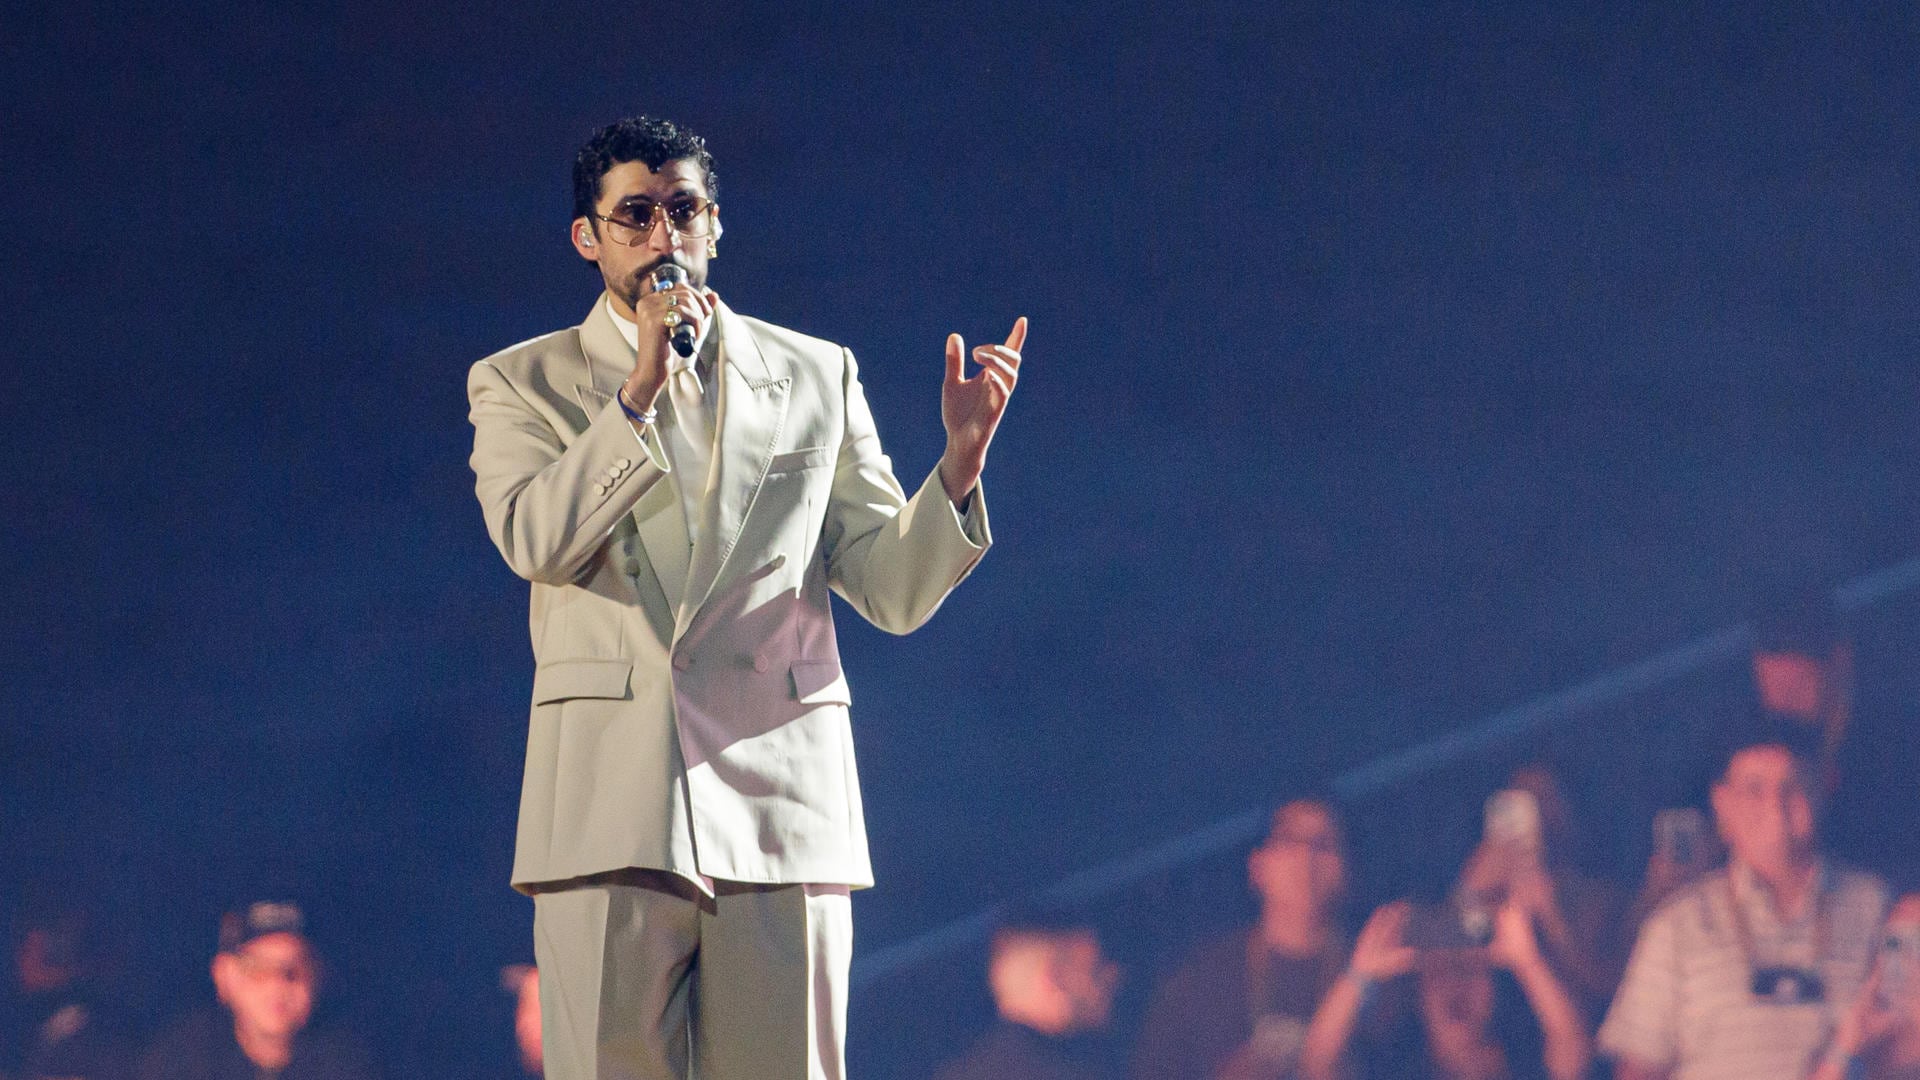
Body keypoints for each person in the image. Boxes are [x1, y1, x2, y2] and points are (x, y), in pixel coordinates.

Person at [465, 115, 1023, 1080]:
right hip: (607, 809)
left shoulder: (814, 371)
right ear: (587, 238)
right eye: (633, 214)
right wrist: (638, 389)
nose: (661, 235)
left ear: (714, 223)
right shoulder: (525, 381)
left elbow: (888, 588)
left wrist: (959, 471)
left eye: (681, 209)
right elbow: (533, 540)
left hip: (780, 800)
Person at [1598, 722, 1889, 1080]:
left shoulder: (1876, 907)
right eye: (1754, 788)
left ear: (1821, 790)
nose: (1775, 804)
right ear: (1722, 801)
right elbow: (1638, 1070)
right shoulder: (1676, 925)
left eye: (1792, 786)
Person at [1130, 799, 1355, 1080]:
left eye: (1323, 844)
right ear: (1257, 866)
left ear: (1346, 869)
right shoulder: (1200, 977)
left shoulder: (1377, 973)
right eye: (1289, 840)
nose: (1305, 857)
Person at [1297, 901, 1591, 1080]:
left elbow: (1572, 1047)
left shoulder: (1523, 1062)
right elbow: (1318, 1065)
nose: (1457, 983)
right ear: (1420, 994)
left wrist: (1529, 963)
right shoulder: (1395, 1068)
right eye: (1441, 971)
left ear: (1494, 992)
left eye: (1472, 971)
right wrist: (1359, 975)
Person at [1452, 764, 1628, 1011]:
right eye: (1518, 799)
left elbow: (1606, 991)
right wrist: (1469, 892)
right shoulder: (1483, 890)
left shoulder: (1600, 898)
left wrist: (1551, 915)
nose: (1536, 813)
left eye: (1544, 799)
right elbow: (1450, 967)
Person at [138, 902, 375, 1080]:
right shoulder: (180, 1061)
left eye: (294, 968)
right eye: (257, 968)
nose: (277, 983)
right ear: (224, 975)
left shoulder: (349, 1064)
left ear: (318, 977)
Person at [930, 920, 1120, 1080]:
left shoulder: (960, 1072)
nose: (1114, 975)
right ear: (1057, 979)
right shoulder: (1068, 1071)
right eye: (1096, 968)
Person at [0, 887, 135, 1080]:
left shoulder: (91, 946)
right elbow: (30, 979)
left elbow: (107, 975)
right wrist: (76, 974)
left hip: (71, 1009)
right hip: (34, 1013)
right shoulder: (36, 938)